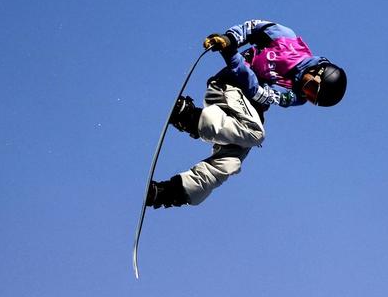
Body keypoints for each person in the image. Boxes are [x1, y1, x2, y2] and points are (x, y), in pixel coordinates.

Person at [147, 20, 347, 208]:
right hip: (228, 87)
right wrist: (230, 40)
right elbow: (253, 28)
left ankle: (167, 192)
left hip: (244, 108)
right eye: (311, 87)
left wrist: (231, 55)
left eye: (311, 97)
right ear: (319, 71)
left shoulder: (296, 96)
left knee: (230, 162)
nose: (305, 92)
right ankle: (187, 116)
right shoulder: (288, 40)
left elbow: (261, 94)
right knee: (255, 133)